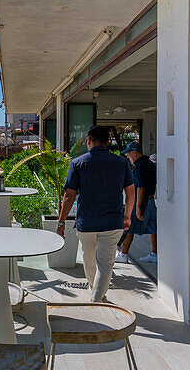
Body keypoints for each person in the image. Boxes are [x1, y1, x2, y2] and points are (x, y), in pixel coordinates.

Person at [56, 126, 135, 303]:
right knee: (106, 263)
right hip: (112, 222)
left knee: (89, 259)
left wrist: (61, 222)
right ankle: (97, 295)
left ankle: (96, 297)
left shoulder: (77, 163)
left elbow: (69, 195)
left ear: (88, 141)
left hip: (87, 222)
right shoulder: (121, 163)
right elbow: (131, 192)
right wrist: (127, 216)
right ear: (108, 142)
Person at [118, 142, 157, 263]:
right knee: (153, 228)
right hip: (151, 200)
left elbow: (140, 188)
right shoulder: (150, 164)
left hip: (142, 201)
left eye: (128, 154)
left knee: (129, 227)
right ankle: (155, 253)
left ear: (135, 152)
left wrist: (138, 207)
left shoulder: (139, 167)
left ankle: (123, 254)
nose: (128, 156)